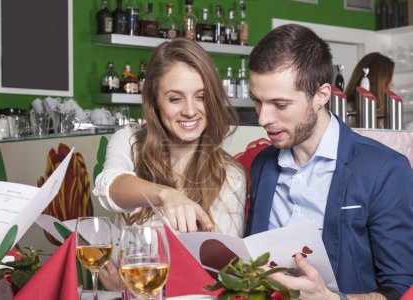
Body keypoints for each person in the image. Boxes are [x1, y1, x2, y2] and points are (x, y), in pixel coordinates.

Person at [245, 24, 413, 299]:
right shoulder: (263, 163)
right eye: (258, 102)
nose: (263, 118)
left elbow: (402, 288)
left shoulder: (384, 169)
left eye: (280, 104)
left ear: (321, 95)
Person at [93, 38, 246, 289]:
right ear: (155, 102)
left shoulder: (230, 175)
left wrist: (126, 285)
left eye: (201, 97)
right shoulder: (130, 141)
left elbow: (224, 278)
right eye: (175, 99)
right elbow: (108, 188)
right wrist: (167, 195)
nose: (190, 110)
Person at [345, 52, 395, 128]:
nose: (392, 84)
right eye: (389, 79)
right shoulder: (348, 111)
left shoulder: (382, 110)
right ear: (378, 81)